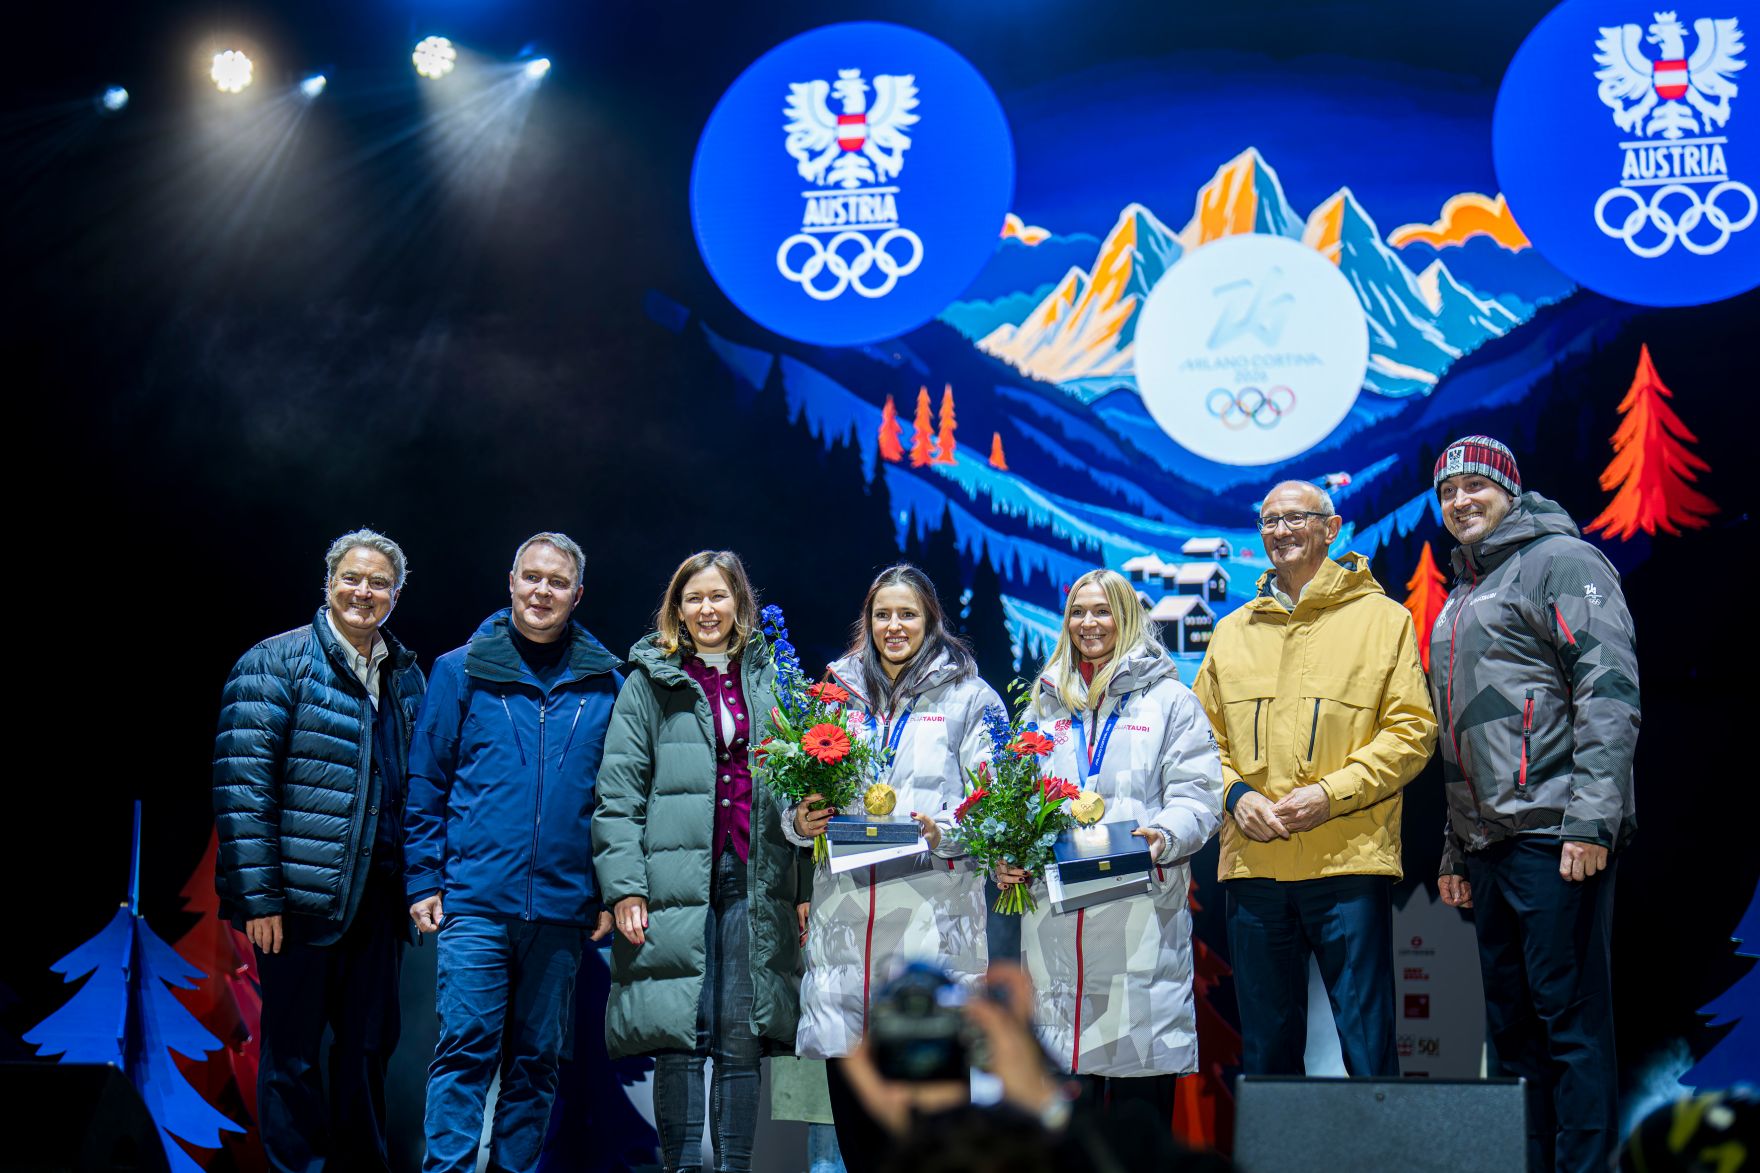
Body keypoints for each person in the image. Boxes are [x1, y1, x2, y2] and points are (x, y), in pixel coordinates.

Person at [1430, 436, 1639, 1173]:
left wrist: (1591, 821)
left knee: (1570, 1023)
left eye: (1474, 486)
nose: (1460, 501)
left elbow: (1608, 693)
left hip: (1555, 831)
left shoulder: (1562, 560)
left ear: (1509, 490)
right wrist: (1455, 847)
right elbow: (1460, 736)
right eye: (1448, 492)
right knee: (1512, 1027)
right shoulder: (1461, 593)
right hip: (1488, 845)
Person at [1190, 481, 1437, 1077]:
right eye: (1269, 521)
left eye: (1297, 518)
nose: (1281, 531)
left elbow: (1412, 732)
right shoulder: (1231, 632)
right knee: (1268, 1056)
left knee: (1368, 1049)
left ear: (1331, 528)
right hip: (1255, 866)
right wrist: (1235, 794)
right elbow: (1196, 742)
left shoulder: (1384, 621)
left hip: (1346, 863)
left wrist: (1331, 795)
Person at [403, 532, 620, 1173]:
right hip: (475, 900)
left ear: (576, 595)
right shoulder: (461, 669)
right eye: (532, 577)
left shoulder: (606, 683)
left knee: (536, 1062)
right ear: (511, 581)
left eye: (557, 582)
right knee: (466, 1050)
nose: (541, 591)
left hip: (561, 907)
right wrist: (422, 879)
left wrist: (606, 891)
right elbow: (426, 781)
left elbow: (616, 797)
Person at [212, 528, 426, 1173]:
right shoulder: (275, 662)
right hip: (297, 906)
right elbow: (242, 788)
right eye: (352, 578)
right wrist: (260, 897)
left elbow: (419, 787)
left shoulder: (408, 677)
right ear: (328, 582)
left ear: (396, 594)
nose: (364, 592)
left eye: (379, 582)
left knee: (366, 1054)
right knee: (293, 1057)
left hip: (377, 906)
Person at [593, 550, 808, 1173]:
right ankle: (683, 1165)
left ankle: (734, 1166)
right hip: (670, 878)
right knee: (678, 1033)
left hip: (755, 872)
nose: (707, 609)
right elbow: (618, 792)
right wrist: (624, 887)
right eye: (694, 598)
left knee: (742, 1033)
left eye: (719, 597)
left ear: (740, 603)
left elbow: (800, 790)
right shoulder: (648, 680)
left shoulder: (775, 681)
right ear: (677, 609)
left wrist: (799, 886)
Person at [785, 564, 1003, 1173]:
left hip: (931, 934)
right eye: (883, 614)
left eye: (908, 613)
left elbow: (997, 804)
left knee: (933, 1140)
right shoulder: (833, 693)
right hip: (846, 939)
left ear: (931, 619)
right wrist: (799, 821)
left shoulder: (971, 697)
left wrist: (947, 829)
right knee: (858, 1136)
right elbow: (794, 793)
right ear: (867, 621)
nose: (894, 626)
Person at [1009, 568, 1222, 1118]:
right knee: (1063, 1136)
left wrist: (1166, 835)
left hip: (1138, 921)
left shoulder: (1171, 700)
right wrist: (1008, 850)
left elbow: (1199, 796)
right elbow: (1017, 801)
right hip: (1057, 931)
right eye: (1078, 612)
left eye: (1103, 611)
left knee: (1136, 1132)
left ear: (1127, 617)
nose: (1089, 623)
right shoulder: (1044, 704)